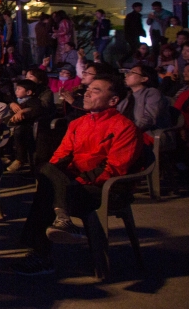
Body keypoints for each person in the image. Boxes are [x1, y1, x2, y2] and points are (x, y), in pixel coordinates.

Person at [14, 75, 139, 274]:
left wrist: (72, 182)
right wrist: (54, 176)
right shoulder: (78, 123)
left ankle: (41, 254)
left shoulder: (124, 127)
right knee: (46, 171)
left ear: (113, 100)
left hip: (103, 187)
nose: (87, 92)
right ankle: (61, 223)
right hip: (71, 182)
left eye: (96, 90)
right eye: (88, 88)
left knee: (47, 192)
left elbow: (114, 169)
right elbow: (60, 156)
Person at [117, 65, 171, 133]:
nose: (126, 75)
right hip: (126, 131)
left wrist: (126, 130)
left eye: (132, 72)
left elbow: (149, 119)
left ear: (144, 79)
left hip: (145, 133)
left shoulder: (153, 93)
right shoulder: (128, 95)